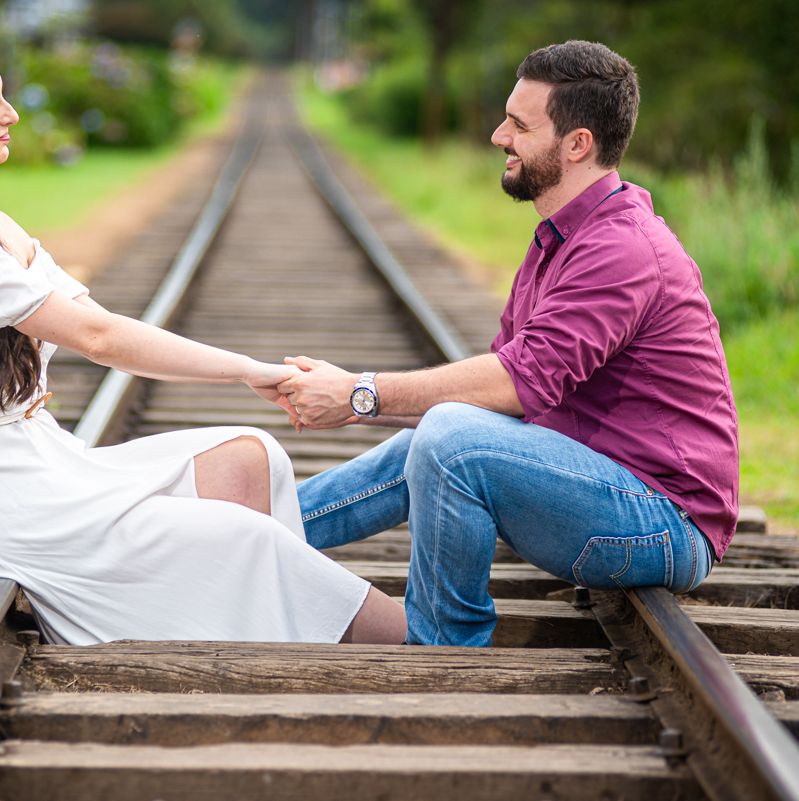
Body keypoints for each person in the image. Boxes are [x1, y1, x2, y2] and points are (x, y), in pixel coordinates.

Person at [0, 30, 405, 647]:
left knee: (251, 454)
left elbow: (100, 318)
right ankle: (410, 640)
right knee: (248, 539)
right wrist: (250, 369)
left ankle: (258, 623)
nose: (11, 115)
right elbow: (99, 338)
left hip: (45, 462)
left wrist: (246, 368)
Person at [279, 40, 739, 648]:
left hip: (664, 522)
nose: (499, 136)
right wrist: (350, 408)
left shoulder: (622, 248)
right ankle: (261, 528)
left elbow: (515, 384)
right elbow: (488, 400)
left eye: (520, 126)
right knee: (443, 432)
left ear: (577, 144)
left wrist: (361, 393)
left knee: (452, 439)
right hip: (605, 488)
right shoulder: (562, 238)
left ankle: (445, 652)